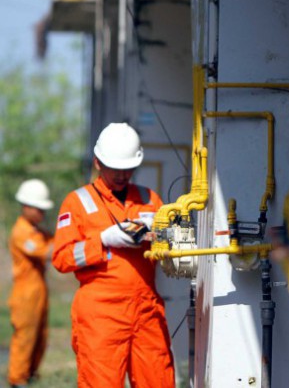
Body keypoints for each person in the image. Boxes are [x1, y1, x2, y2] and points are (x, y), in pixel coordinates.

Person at [52, 122, 175, 387]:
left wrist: (164, 234)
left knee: (159, 380)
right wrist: (101, 240)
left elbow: (170, 246)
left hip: (147, 309)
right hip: (101, 313)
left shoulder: (149, 199)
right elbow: (62, 258)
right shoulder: (78, 202)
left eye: (128, 168)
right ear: (98, 163)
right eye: (115, 168)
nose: (122, 175)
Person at [7, 179, 54, 388]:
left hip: (39, 290)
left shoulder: (37, 231)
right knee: (25, 336)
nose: (42, 213)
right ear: (26, 206)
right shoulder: (21, 232)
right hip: (25, 293)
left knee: (40, 336)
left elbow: (54, 240)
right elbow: (47, 251)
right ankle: (17, 379)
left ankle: (31, 373)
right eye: (39, 209)